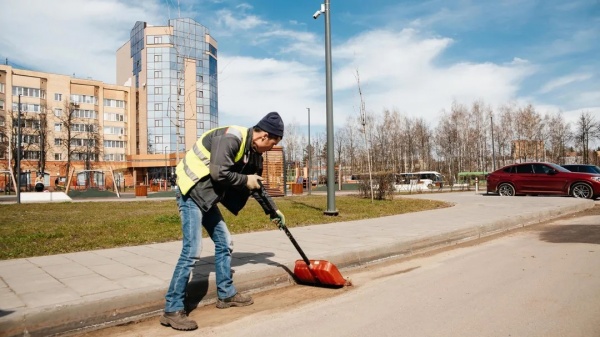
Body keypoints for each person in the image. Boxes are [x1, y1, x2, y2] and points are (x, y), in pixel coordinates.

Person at [160, 112, 286, 331]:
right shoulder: (232, 138)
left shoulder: (255, 153)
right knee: (192, 250)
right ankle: (172, 309)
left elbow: (256, 186)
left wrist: (273, 211)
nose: (271, 148)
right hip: (190, 191)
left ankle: (226, 295)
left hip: (207, 197)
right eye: (272, 144)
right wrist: (246, 180)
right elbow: (219, 174)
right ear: (264, 136)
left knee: (225, 242)